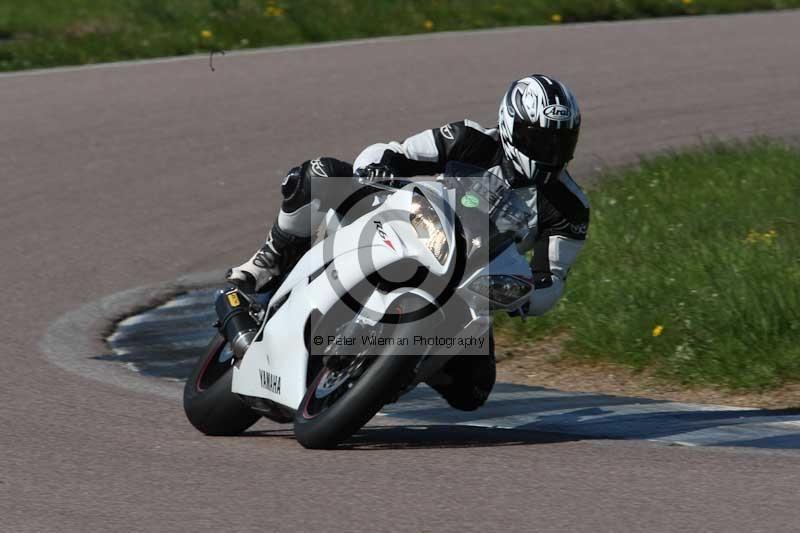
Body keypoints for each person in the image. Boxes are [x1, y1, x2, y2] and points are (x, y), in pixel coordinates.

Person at [227, 74, 590, 410]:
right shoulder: (468, 139)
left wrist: (525, 296)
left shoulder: (570, 208)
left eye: (560, 141)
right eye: (538, 139)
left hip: (466, 288)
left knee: (473, 391)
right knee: (318, 175)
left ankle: (397, 371)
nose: (549, 151)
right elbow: (393, 151)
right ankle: (263, 264)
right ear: (511, 127)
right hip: (408, 229)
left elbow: (552, 278)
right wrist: (375, 169)